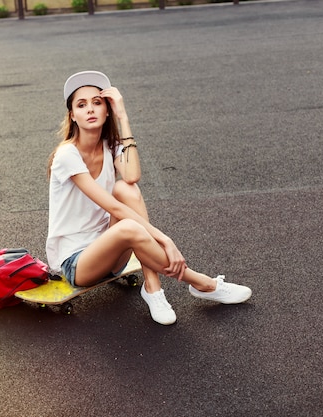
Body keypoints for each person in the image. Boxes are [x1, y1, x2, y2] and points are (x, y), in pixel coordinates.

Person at [46, 70, 252, 325]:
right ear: (72, 115)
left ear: (107, 110)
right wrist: (166, 241)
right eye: (81, 104)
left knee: (127, 190)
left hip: (111, 252)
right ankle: (202, 283)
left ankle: (153, 288)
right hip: (78, 264)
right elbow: (112, 207)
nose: (90, 109)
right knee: (128, 223)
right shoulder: (67, 155)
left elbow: (132, 176)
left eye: (97, 103)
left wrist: (123, 116)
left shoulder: (109, 146)